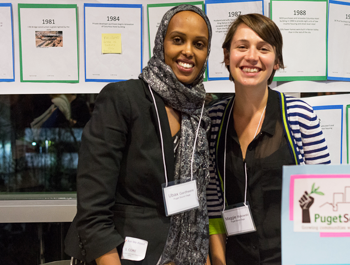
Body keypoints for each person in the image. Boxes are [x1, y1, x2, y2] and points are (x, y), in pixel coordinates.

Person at [65, 5, 212, 265]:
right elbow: (93, 206)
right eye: (178, 40)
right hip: (120, 255)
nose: (188, 51)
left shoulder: (200, 113)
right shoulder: (124, 99)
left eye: (198, 44)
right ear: (161, 43)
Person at [206, 14, 330, 265]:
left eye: (264, 48)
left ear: (276, 62)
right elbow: (213, 204)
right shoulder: (214, 119)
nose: (252, 56)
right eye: (242, 46)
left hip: (296, 258)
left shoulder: (299, 115)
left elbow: (324, 201)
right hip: (235, 257)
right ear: (227, 55)